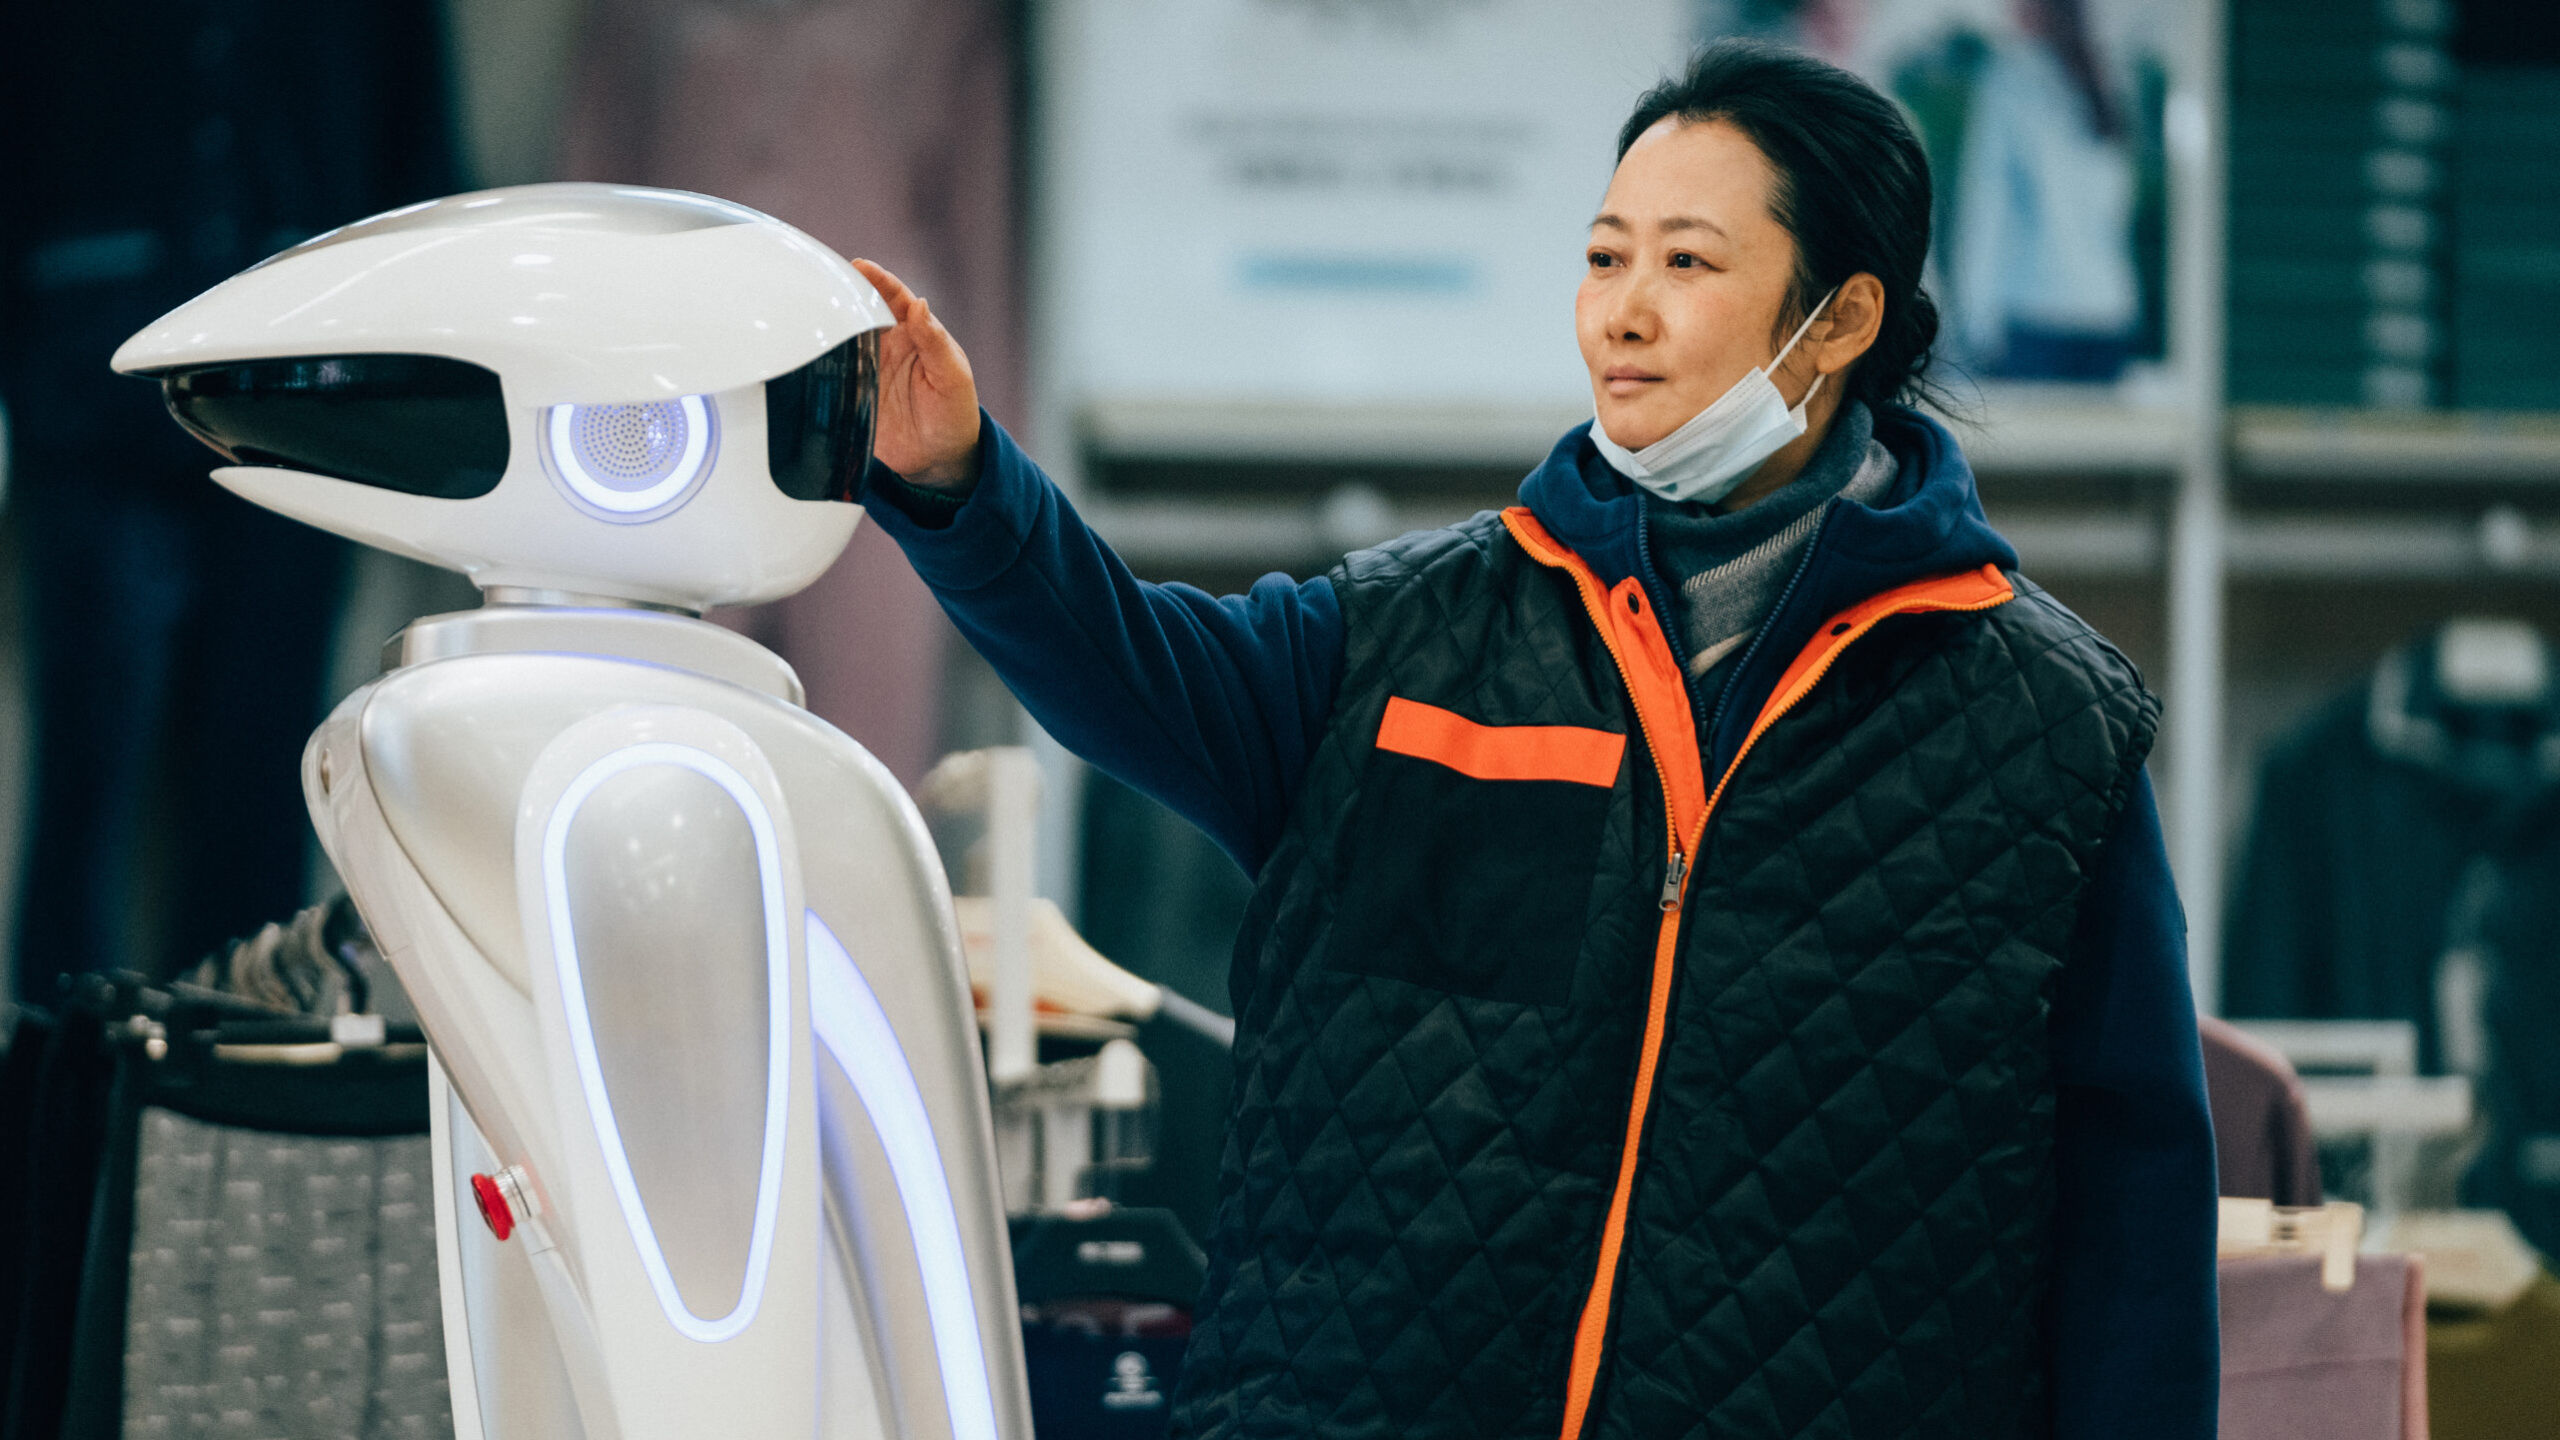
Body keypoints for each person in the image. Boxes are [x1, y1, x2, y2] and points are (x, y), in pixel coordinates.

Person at [852, 39, 2216, 1440]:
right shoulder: (1406, 639)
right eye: (1606, 258)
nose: (1623, 313)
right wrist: (960, 478)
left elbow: (2136, 1237)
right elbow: (1125, 664)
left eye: (1687, 265)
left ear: (1844, 316)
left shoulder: (2043, 731)